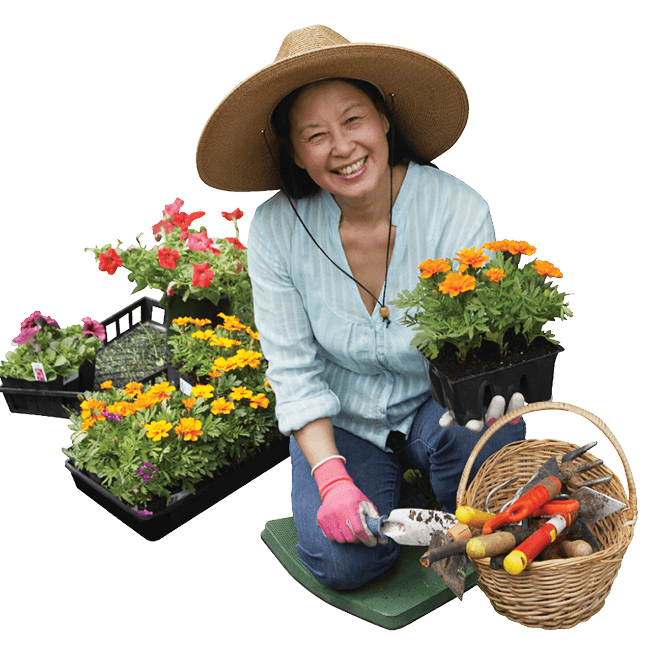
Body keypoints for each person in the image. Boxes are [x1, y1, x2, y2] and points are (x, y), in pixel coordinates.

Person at [196, 25, 526, 590]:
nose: (342, 147)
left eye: (353, 120)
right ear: (295, 153)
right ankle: (378, 486)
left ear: (385, 120)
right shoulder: (276, 230)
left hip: (438, 405)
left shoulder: (455, 209)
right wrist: (332, 479)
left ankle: (429, 484)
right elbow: (293, 371)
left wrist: (501, 386)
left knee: (487, 456)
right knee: (344, 562)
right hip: (343, 421)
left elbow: (487, 345)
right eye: (315, 134)